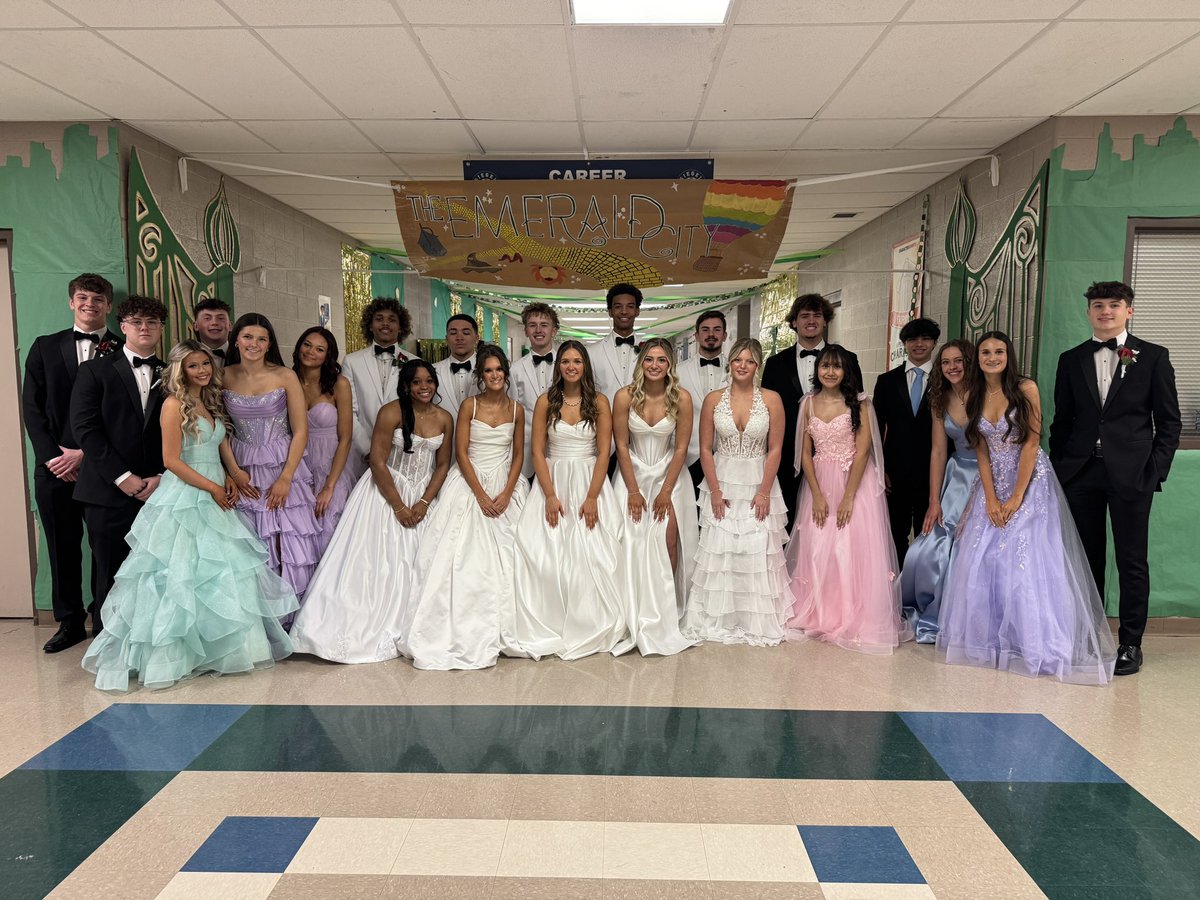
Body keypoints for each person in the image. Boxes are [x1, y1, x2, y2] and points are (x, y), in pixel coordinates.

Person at [80, 342, 298, 691]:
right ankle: (176, 654)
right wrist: (211, 488)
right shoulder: (172, 405)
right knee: (181, 573)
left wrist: (234, 474)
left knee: (221, 573)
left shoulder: (210, 401)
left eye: (206, 364)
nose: (202, 371)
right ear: (181, 370)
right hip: (187, 492)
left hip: (218, 491)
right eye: (194, 366)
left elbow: (221, 442)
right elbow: (171, 461)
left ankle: (224, 650)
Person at [937, 332, 1117, 685]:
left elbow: (1033, 442)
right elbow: (981, 450)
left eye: (999, 351)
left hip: (1030, 480)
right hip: (993, 481)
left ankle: (1033, 644)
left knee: (1026, 560)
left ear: (1009, 355)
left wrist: (1017, 496)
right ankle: (990, 644)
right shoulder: (974, 393)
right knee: (984, 560)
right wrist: (990, 497)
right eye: (986, 352)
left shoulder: (1026, 388)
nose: (992, 357)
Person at [1049, 281, 1181, 676]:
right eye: (1098, 305)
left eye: (1114, 305)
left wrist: (1153, 470)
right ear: (1088, 312)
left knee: (1131, 561)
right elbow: (1063, 420)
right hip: (1081, 473)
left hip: (1132, 475)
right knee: (1085, 560)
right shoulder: (1070, 359)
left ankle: (1130, 643)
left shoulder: (1154, 357)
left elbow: (1169, 423)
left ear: (1129, 311)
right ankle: (1088, 636)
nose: (1105, 311)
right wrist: (1061, 466)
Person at [290, 360, 453, 663]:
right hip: (385, 492)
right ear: (406, 385)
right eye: (416, 382)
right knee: (376, 565)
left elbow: (442, 464)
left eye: (428, 381)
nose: (423, 387)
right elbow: (377, 461)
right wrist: (399, 506)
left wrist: (424, 502)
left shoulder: (444, 417)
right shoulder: (390, 412)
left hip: (424, 496)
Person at [401, 345, 529, 670]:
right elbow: (461, 453)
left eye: (499, 369)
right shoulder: (468, 405)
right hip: (470, 483)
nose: (494, 375)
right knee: (460, 557)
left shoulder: (517, 410)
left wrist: (507, 490)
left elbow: (518, 455)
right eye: (488, 370)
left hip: (505, 482)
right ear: (480, 375)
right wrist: (482, 495)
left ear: (506, 373)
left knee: (519, 553)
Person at [785, 345, 909, 655]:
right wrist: (815, 493)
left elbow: (864, 450)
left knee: (849, 546)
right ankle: (821, 612)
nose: (829, 372)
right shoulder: (807, 404)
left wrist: (849, 497)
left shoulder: (861, 404)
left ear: (846, 372)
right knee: (818, 544)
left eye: (836, 367)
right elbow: (804, 453)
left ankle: (851, 613)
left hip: (855, 481)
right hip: (819, 482)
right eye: (825, 366)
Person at [511, 341, 627, 660]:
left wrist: (592, 496)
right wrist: (549, 495)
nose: (571, 366)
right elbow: (537, 450)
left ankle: (591, 619)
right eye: (565, 361)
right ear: (558, 366)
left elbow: (605, 451)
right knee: (547, 552)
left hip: (590, 480)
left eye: (577, 361)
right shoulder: (546, 401)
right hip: (554, 479)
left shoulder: (600, 402)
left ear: (585, 366)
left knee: (595, 553)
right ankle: (552, 620)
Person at [22, 273, 120, 652]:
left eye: (98, 299)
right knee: (61, 547)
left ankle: (105, 618)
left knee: (105, 546)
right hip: (54, 468)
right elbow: (32, 408)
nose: (90, 304)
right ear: (71, 302)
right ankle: (68, 621)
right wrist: (53, 457)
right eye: (82, 297)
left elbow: (122, 414)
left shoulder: (123, 348)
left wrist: (88, 453)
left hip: (103, 467)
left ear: (108, 306)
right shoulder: (45, 347)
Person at [69, 295, 168, 634]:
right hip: (107, 492)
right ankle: (106, 646)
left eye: (152, 323)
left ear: (160, 330)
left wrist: (160, 476)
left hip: (157, 492)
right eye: (137, 322)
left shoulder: (173, 374)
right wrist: (122, 477)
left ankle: (146, 642)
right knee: (109, 571)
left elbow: (183, 432)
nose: (144, 328)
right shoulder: (94, 371)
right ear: (123, 326)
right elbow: (86, 429)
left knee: (154, 570)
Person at [683, 338, 789, 646]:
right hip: (723, 478)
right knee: (722, 547)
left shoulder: (772, 399)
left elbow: (776, 448)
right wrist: (715, 490)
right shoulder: (713, 399)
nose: (743, 366)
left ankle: (754, 617)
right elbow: (704, 447)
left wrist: (765, 491)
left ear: (758, 366)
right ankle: (719, 617)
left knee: (758, 546)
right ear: (730, 363)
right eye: (737, 360)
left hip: (759, 479)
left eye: (750, 361)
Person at [221, 313, 321, 603]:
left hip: (283, 464)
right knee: (251, 539)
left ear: (269, 344)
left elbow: (301, 431)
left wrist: (286, 478)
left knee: (287, 538)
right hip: (243, 467)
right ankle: (259, 615)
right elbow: (219, 428)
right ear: (236, 340)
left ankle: (290, 613)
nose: (254, 343)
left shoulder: (284, 375)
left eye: (261, 339)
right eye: (248, 337)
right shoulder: (223, 376)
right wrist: (233, 471)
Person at [611, 339, 697, 656]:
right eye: (649, 359)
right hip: (632, 474)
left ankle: (665, 610)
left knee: (667, 540)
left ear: (670, 365)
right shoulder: (623, 396)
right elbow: (620, 445)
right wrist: (633, 490)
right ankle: (631, 609)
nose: (655, 365)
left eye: (662, 360)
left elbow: (680, 448)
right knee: (630, 541)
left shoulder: (682, 399)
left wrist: (664, 490)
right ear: (641, 363)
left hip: (668, 474)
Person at [761, 294, 862, 533]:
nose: (811, 320)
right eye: (804, 315)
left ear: (825, 320)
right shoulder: (775, 364)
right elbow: (766, 412)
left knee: (835, 527)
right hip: (786, 457)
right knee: (787, 524)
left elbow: (857, 410)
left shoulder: (848, 360)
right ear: (794, 322)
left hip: (838, 464)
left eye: (817, 315)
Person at [900, 340, 979, 643]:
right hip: (956, 475)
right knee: (930, 545)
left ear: (969, 362)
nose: (952, 367)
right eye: (945, 362)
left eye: (958, 361)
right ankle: (931, 608)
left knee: (967, 545)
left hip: (987, 476)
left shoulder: (984, 394)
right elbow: (937, 451)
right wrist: (934, 501)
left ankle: (965, 616)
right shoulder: (940, 399)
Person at [873, 317, 940, 564]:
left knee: (929, 534)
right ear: (904, 344)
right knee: (894, 535)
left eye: (925, 339)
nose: (919, 344)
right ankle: (896, 590)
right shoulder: (887, 381)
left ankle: (922, 590)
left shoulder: (945, 380)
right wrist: (880, 469)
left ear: (934, 343)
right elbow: (876, 429)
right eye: (913, 339)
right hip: (895, 474)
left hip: (932, 474)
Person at [293, 327, 355, 556]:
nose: (311, 352)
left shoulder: (339, 384)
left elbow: (346, 437)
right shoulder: (288, 380)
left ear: (328, 356)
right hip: (298, 466)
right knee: (301, 532)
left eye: (320, 349)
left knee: (329, 529)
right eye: (307, 344)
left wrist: (330, 486)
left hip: (331, 465)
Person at [343, 298, 417, 479]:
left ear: (400, 327)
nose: (385, 323)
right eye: (379, 318)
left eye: (392, 319)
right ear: (370, 325)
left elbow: (418, 410)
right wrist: (369, 451)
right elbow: (348, 412)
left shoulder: (415, 363)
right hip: (362, 455)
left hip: (403, 454)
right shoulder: (351, 362)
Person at [675, 309, 729, 493]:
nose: (711, 334)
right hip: (689, 457)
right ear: (696, 336)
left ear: (725, 335)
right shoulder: (677, 372)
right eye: (705, 330)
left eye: (717, 329)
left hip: (726, 458)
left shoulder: (737, 370)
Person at [509, 302, 559, 479]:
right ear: (526, 331)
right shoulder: (515, 369)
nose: (538, 330)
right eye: (532, 325)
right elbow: (513, 413)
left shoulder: (567, 365)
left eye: (544, 325)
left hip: (560, 449)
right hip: (527, 449)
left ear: (554, 331)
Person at [589, 283, 644, 406]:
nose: (624, 311)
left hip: (641, 421)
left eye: (630, 306)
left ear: (637, 311)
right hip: (604, 420)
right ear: (610, 311)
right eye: (618, 306)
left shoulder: (650, 350)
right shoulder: (591, 352)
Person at [432, 314, 482, 420]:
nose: (459, 338)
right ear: (446, 338)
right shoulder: (432, 370)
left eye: (466, 333)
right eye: (453, 333)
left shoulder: (492, 370)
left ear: (477, 338)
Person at [192, 297, 232, 366]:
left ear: (230, 326)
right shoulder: (185, 357)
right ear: (196, 326)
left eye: (220, 318)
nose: (214, 322)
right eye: (207, 318)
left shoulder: (243, 354)